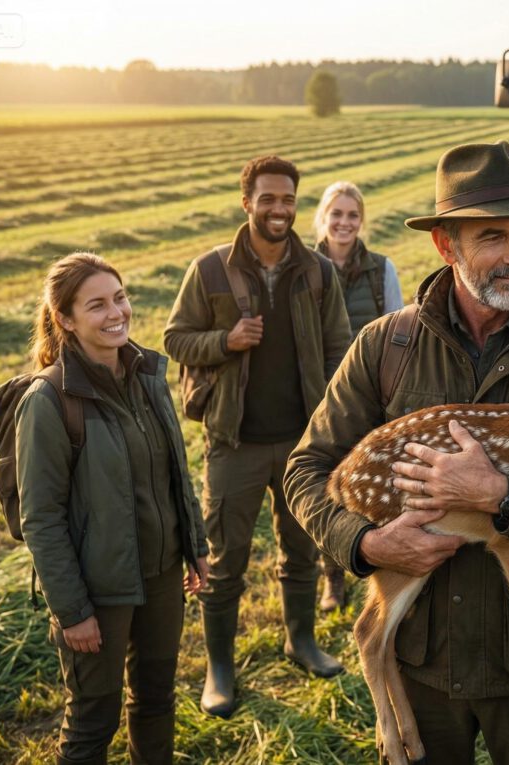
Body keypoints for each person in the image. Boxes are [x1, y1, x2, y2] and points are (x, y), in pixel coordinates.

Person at [284, 141, 509, 763]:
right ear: (445, 245)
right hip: (422, 670)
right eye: (493, 237)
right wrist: (364, 544)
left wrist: (505, 499)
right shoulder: (387, 346)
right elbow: (306, 471)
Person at [163, 155, 351, 719]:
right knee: (224, 559)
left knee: (302, 548)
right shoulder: (211, 270)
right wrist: (226, 341)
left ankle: (302, 641)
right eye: (267, 199)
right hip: (234, 441)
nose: (279, 209)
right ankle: (220, 669)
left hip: (301, 442)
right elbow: (175, 338)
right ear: (246, 202)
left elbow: (341, 348)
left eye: (288, 199)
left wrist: (336, 423)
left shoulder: (318, 271)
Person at [17, 252, 210, 765]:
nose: (115, 313)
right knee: (91, 723)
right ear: (65, 318)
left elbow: (176, 469)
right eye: (96, 305)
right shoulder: (50, 400)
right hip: (97, 590)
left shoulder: (147, 375)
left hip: (163, 574)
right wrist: (73, 611)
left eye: (119, 298)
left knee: (156, 700)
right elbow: (41, 518)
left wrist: (195, 547)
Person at [311, 180, 404, 611]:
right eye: (336, 214)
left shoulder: (381, 270)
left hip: (365, 394)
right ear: (323, 219)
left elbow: (398, 333)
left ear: (361, 220)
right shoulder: (305, 268)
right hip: (316, 392)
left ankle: (367, 561)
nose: (344, 223)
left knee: (362, 482)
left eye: (352, 215)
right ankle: (331, 575)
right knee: (321, 483)